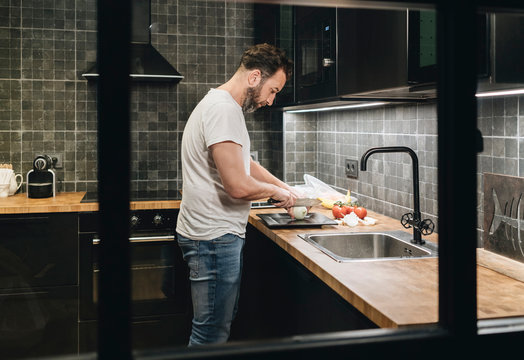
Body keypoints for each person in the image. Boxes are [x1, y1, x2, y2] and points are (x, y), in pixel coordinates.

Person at [176, 43, 299, 346]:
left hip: (209, 236)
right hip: (214, 238)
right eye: (273, 90)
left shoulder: (220, 105)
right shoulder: (223, 110)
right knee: (210, 334)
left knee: (214, 328)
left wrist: (285, 188)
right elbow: (238, 186)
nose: (271, 101)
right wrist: (274, 193)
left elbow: (247, 164)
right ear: (255, 77)